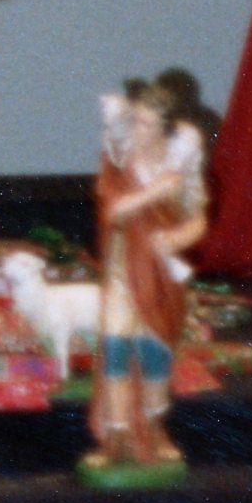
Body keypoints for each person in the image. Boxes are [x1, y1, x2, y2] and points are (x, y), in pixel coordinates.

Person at [85, 87, 190, 476]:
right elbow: (114, 211)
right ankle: (116, 435)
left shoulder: (179, 165)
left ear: (163, 129)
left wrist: (178, 234)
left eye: (146, 124)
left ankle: (156, 425)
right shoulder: (119, 161)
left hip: (159, 271)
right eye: (135, 121)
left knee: (154, 348)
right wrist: (152, 192)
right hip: (123, 269)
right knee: (115, 346)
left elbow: (194, 219)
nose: (137, 130)